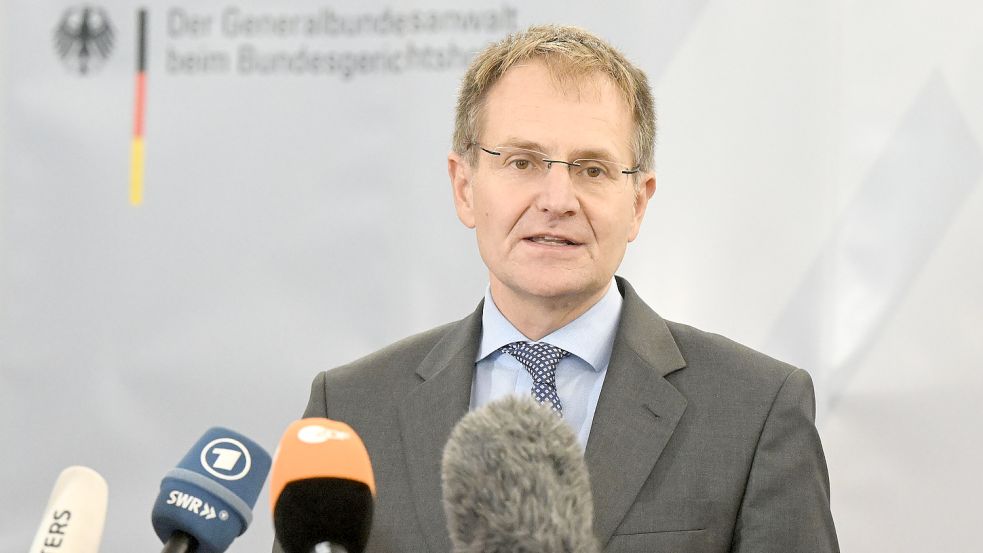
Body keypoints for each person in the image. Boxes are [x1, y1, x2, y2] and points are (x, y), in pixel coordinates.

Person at [283, 25, 838, 553]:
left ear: (638, 203)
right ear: (464, 187)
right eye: (523, 161)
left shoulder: (755, 410)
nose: (557, 199)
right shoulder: (350, 411)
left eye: (592, 170)